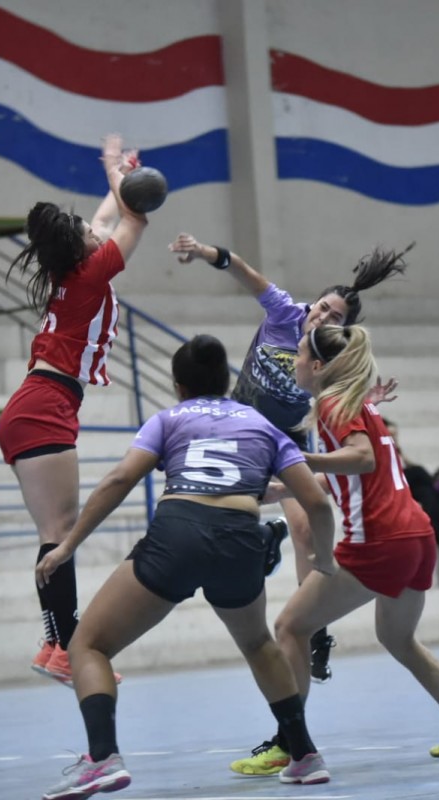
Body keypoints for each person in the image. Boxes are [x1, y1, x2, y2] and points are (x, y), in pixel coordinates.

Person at [34, 335, 336, 797]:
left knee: (87, 645)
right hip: (240, 538)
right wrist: (325, 561)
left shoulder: (169, 419)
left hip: (179, 534)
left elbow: (120, 479)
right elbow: (315, 501)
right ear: (225, 381)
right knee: (258, 643)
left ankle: (102, 758)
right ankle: (305, 754)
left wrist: (67, 546)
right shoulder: (262, 424)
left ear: (178, 386)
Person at [230, 325, 439, 778]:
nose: (292, 361)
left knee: (290, 626)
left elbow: (362, 457)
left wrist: (297, 461)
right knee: (398, 639)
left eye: (299, 354)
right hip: (416, 536)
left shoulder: (333, 405)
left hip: (379, 541)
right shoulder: (358, 403)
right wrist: (283, 488)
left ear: (317, 366)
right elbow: (354, 473)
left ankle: (291, 746)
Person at [168, 232, 406, 684]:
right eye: (323, 307)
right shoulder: (284, 312)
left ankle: (315, 632)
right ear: (313, 302)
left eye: (334, 318)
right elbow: (244, 271)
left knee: (307, 529)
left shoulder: (332, 354)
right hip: (240, 429)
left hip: (289, 442)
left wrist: (366, 399)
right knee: (222, 513)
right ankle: (265, 536)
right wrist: (201, 252)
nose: (322, 317)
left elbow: (343, 398)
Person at [0, 134, 148, 686]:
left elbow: (108, 217)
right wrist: (119, 176)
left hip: (34, 403)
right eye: (89, 232)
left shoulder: (72, 270)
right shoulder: (90, 272)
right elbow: (134, 219)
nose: (97, 231)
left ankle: (53, 642)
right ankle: (66, 646)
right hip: (44, 405)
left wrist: (115, 168)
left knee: (54, 533)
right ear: (82, 248)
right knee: (61, 533)